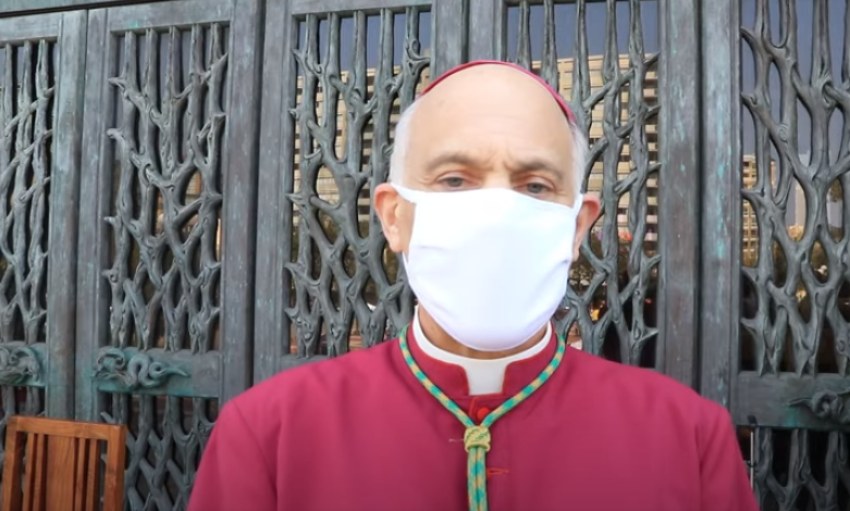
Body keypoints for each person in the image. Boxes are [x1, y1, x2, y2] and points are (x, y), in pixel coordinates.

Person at [188, 61, 758, 511]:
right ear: (393, 216)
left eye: (535, 186)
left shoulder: (688, 440)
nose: (495, 210)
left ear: (577, 226)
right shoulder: (270, 435)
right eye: (455, 179)